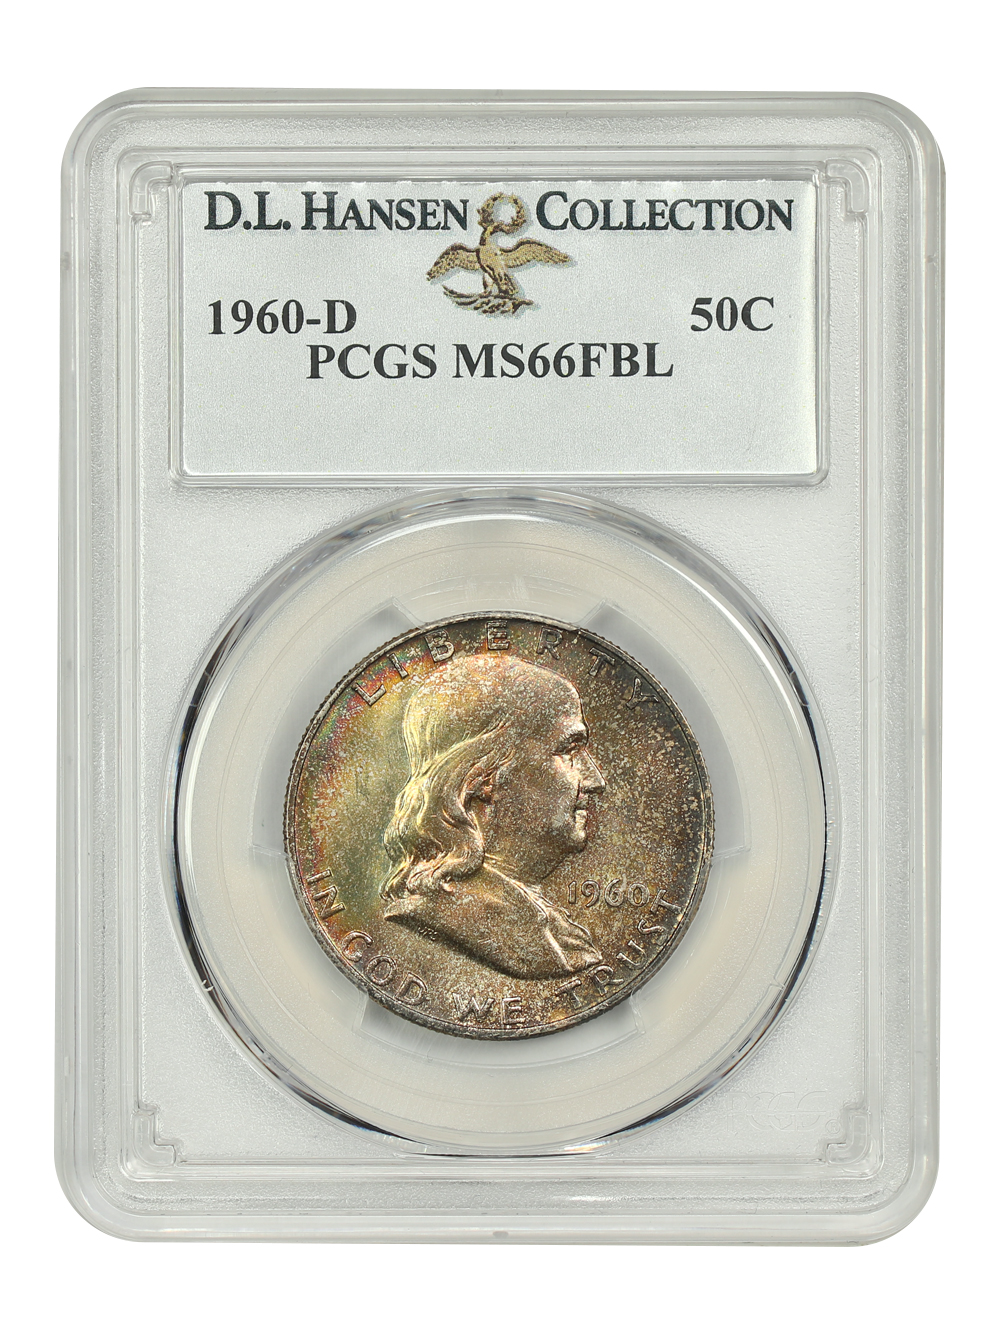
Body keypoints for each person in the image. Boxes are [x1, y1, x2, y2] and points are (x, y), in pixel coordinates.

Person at [381, 652, 605, 979]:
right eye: (568, 750)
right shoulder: (450, 917)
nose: (596, 780)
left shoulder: (555, 929)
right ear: (482, 776)